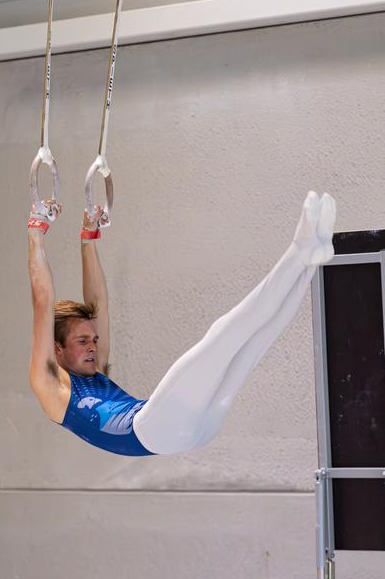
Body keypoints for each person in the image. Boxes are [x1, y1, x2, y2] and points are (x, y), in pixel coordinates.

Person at [28, 190, 336, 456]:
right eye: (82, 342)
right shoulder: (52, 387)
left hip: (194, 428)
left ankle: (310, 261)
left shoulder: (96, 370)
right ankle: (298, 250)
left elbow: (100, 304)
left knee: (253, 346)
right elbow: (43, 302)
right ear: (57, 349)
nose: (94, 347)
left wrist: (88, 238)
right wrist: (35, 231)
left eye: (93, 340)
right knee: (222, 336)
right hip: (154, 429)